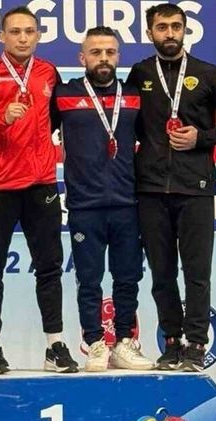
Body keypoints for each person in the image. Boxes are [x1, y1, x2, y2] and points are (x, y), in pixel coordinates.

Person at [127, 3, 216, 372]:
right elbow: (128, 122)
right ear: (150, 32)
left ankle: (196, 344)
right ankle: (171, 342)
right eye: (162, 27)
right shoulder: (140, 73)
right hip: (150, 189)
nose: (170, 33)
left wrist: (202, 138)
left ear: (184, 30)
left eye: (176, 26)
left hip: (195, 187)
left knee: (196, 272)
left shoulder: (207, 73)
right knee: (161, 273)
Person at [0, 6, 77, 374]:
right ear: (2, 36)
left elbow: (54, 121)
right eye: (15, 31)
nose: (22, 38)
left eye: (29, 31)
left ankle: (55, 344)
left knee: (50, 267)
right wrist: (1, 120)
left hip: (41, 183)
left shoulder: (48, 72)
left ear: (38, 35)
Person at [51, 27, 154, 372]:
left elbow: (151, 142)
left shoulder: (135, 95)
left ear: (118, 56)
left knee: (127, 278)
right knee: (89, 280)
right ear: (82, 58)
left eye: (110, 52)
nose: (103, 59)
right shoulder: (64, 95)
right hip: (85, 205)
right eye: (95, 52)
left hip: (127, 203)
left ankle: (124, 342)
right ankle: (95, 343)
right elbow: (37, 134)